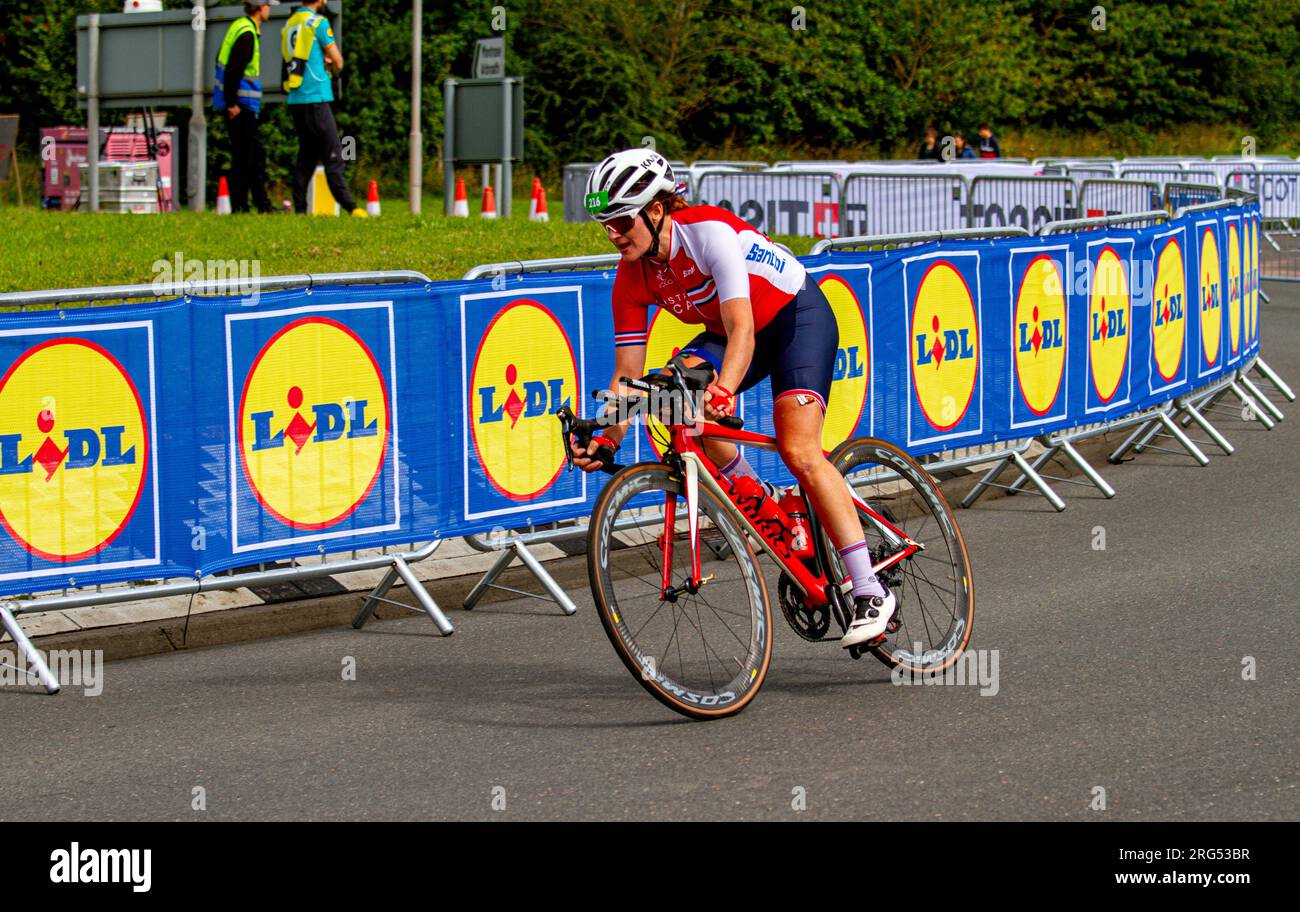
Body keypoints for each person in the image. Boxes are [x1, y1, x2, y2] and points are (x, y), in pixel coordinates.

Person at [572, 149, 896, 648]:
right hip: (728, 333)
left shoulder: (708, 235)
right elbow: (627, 375)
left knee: (799, 451)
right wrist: (608, 436)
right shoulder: (631, 276)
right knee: (671, 397)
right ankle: (761, 504)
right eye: (606, 225)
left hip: (793, 321)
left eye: (620, 221)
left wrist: (723, 387)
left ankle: (869, 588)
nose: (613, 234)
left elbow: (743, 327)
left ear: (656, 209)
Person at [282, 0, 364, 216]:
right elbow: (338, 61)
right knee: (335, 152)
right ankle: (351, 207)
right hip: (316, 94)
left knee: (307, 154)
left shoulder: (291, 23)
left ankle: (300, 209)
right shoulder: (318, 22)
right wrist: (332, 64)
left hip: (296, 96)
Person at [213, 0, 275, 213]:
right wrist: (232, 104)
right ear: (260, 7)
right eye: (268, 5)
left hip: (238, 104)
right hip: (241, 105)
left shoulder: (239, 26)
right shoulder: (247, 34)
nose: (270, 9)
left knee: (249, 156)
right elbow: (234, 70)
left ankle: (250, 205)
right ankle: (248, 205)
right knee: (248, 158)